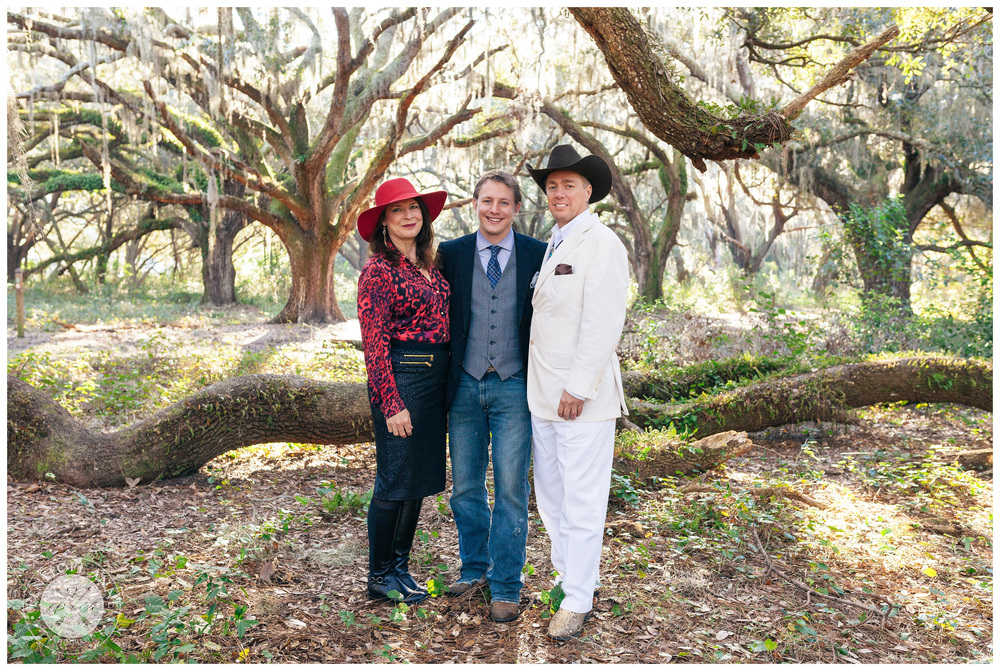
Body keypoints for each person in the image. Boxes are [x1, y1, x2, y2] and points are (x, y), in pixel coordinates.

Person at [524, 144, 630, 640]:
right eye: (552, 186)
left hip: (579, 399)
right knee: (551, 497)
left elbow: (604, 320)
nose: (559, 192)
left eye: (569, 184)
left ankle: (578, 599)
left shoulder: (601, 242)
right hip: (540, 395)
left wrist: (579, 387)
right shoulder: (554, 242)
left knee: (583, 500)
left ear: (589, 191)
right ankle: (569, 578)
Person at [437, 170, 547, 623]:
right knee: (464, 487)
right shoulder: (451, 254)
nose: (495, 209)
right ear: (474, 204)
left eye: (504, 202)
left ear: (517, 208)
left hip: (514, 384)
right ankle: (474, 567)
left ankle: (506, 583)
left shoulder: (539, 253)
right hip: (462, 382)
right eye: (487, 201)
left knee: (511, 489)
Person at [356, 177, 451, 605]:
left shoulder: (431, 264)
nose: (408, 215)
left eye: (414, 208)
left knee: (416, 481)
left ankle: (399, 568)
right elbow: (375, 343)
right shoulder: (378, 270)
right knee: (394, 480)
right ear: (384, 222)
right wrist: (391, 403)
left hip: (434, 382)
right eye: (397, 210)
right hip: (402, 379)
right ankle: (378, 575)